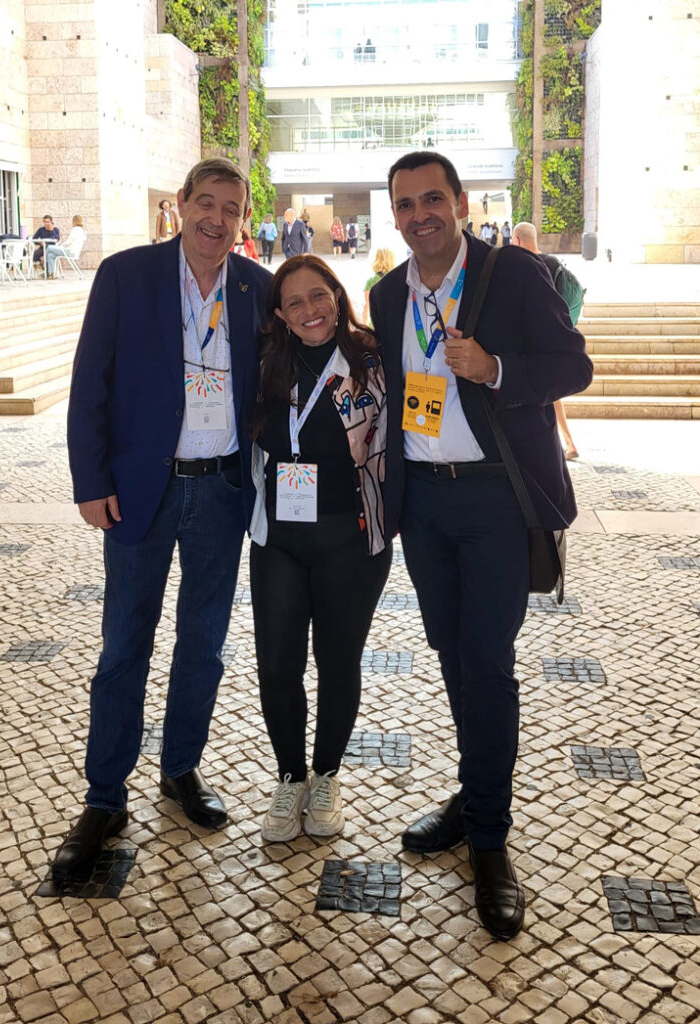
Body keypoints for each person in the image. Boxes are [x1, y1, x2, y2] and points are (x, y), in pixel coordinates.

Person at [369, 151, 592, 940]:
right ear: (392, 215)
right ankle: (472, 796)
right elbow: (393, 397)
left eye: (433, 198)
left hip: (496, 499)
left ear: (459, 203)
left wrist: (494, 367)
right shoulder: (387, 293)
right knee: (452, 655)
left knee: (487, 661)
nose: (420, 213)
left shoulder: (511, 274)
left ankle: (490, 840)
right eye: (405, 203)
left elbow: (575, 366)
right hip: (425, 506)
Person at [58, 157, 271, 875]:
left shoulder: (256, 289)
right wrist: (90, 480)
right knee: (124, 649)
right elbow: (90, 383)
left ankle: (180, 769)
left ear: (243, 219)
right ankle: (104, 795)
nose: (216, 219)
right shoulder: (126, 276)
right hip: (139, 492)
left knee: (204, 646)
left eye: (230, 208)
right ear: (180, 206)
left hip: (220, 492)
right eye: (204, 203)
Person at [249, 255, 391, 841]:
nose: (309, 310)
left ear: (336, 294)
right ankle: (290, 776)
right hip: (278, 537)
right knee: (278, 663)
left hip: (350, 537)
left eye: (318, 295)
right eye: (294, 302)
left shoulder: (372, 358)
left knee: (337, 663)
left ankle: (326, 775)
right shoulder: (263, 364)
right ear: (279, 315)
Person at [512, 221, 582, 459]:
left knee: (549, 395)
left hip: (540, 345)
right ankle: (568, 443)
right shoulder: (552, 262)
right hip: (557, 338)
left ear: (517, 240)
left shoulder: (530, 266)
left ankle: (565, 444)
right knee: (552, 396)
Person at [362, 247, 395, 323]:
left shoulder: (371, 282)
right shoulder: (397, 279)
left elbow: (367, 306)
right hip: (392, 323)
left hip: (375, 324)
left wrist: (363, 324)